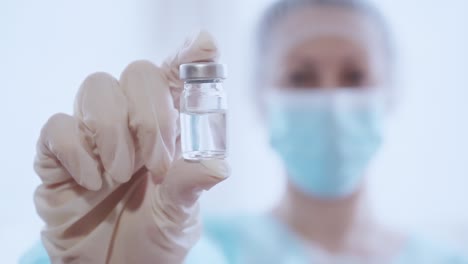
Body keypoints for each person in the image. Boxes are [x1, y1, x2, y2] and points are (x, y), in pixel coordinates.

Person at [21, 0, 468, 263]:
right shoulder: (192, 246)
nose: (332, 101)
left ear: (390, 93)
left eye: (354, 77)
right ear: (259, 98)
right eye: (300, 78)